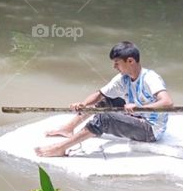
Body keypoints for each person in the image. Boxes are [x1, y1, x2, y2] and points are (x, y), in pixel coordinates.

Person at [35, 41, 173, 157]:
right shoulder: (123, 78)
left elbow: (167, 102)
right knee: (105, 102)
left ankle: (61, 148)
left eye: (117, 63)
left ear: (130, 61)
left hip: (150, 129)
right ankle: (68, 128)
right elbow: (100, 93)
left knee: (104, 118)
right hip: (136, 115)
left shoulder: (150, 78)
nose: (114, 67)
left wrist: (139, 108)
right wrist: (83, 104)